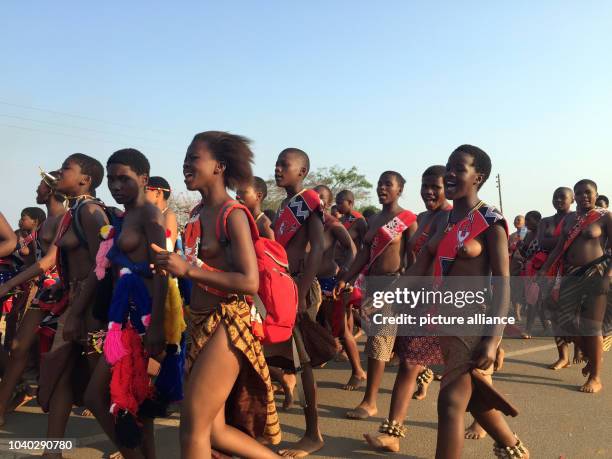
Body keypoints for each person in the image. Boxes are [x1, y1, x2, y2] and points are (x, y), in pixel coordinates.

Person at [154, 131, 281, 458]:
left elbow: (249, 281)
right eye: (185, 157)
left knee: (191, 431)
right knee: (213, 430)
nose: (186, 164)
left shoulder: (233, 214)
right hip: (199, 325)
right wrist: (170, 265)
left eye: (194, 157)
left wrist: (188, 270)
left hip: (229, 323)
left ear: (220, 166)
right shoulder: (195, 213)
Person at [407, 145, 528, 458]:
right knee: (472, 398)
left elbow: (503, 284)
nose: (450, 173)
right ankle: (514, 449)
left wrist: (493, 339)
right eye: (448, 166)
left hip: (471, 322)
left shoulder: (490, 221)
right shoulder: (441, 220)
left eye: (459, 168)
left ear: (479, 177)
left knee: (450, 403)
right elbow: (420, 265)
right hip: (439, 321)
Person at [81, 149, 168, 458]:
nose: (116, 185)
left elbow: (162, 271)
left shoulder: (149, 215)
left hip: (143, 321)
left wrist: (156, 325)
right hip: (123, 321)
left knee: (102, 397)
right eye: (112, 179)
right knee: (134, 402)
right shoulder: (123, 216)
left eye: (124, 178)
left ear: (143, 179)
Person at [362, 165, 448, 452]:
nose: (429, 192)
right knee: (408, 361)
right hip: (419, 301)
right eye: (425, 186)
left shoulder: (451, 217)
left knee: (467, 372)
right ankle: (392, 434)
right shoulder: (422, 219)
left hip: (446, 303)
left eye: (435, 186)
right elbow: (415, 265)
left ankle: (506, 439)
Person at [33, 153, 110, 458]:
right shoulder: (73, 210)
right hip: (74, 304)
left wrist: (78, 312)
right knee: (63, 376)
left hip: (89, 309)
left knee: (100, 392)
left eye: (66, 168)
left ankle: (136, 450)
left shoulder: (91, 212)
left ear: (85, 180)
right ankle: (52, 451)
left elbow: (101, 267)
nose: (59, 173)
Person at [335, 171, 418, 420]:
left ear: (400, 189)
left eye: (388, 184)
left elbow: (415, 262)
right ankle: (419, 372)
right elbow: (363, 254)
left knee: (378, 344)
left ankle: (370, 401)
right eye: (380, 183)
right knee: (379, 342)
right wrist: (346, 278)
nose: (382, 188)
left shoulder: (408, 220)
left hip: (393, 286)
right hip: (373, 285)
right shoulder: (373, 220)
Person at [266, 147, 325, 458]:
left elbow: (317, 249)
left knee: (302, 364)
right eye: (276, 164)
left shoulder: (310, 202)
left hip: (297, 288)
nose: (277, 169)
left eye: (284, 165)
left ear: (301, 172)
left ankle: (313, 434)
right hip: (281, 287)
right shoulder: (283, 205)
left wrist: (300, 293)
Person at [0, 170, 67, 426]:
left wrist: (8, 285)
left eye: (40, 186)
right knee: (18, 348)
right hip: (42, 292)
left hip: (62, 292)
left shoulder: (63, 220)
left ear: (49, 190)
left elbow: (49, 261)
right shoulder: (46, 223)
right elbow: (33, 261)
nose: (36, 191)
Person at [538, 179, 611, 394]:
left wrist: (608, 275)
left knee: (592, 326)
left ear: (596, 194)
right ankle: (590, 355)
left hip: (596, 273)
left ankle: (596, 377)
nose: (583, 196)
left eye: (588, 192)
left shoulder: (605, 216)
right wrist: (545, 269)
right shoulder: (570, 219)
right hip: (569, 275)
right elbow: (559, 248)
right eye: (579, 193)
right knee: (563, 322)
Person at [313, 185, 361, 392]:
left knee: (341, 329)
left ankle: (358, 371)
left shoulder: (333, 224)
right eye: (314, 197)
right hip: (311, 281)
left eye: (322, 198)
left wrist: (346, 274)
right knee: (312, 325)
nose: (317, 201)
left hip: (331, 281)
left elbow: (353, 249)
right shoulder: (308, 222)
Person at [535, 187, 575, 369]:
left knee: (577, 314)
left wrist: (558, 243)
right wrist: (564, 241)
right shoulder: (546, 221)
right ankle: (563, 356)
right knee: (553, 313)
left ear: (572, 199)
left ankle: (583, 350)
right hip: (550, 270)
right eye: (555, 196)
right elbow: (542, 242)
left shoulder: (578, 218)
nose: (558, 200)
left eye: (562, 197)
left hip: (572, 270)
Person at [512, 211, 543, 338]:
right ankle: (534, 328)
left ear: (538, 221)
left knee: (537, 301)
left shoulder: (543, 234)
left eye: (529, 221)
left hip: (542, 271)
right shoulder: (527, 235)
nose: (527, 223)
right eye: (526, 220)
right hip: (529, 271)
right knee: (533, 301)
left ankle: (534, 328)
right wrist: (520, 247)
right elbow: (525, 255)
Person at [145, 175, 178, 248]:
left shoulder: (168, 216)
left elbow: (167, 249)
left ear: (158, 193)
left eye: (145, 190)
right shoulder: (150, 215)